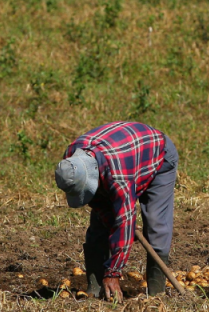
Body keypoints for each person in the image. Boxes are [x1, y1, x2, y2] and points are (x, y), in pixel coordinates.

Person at [55, 122, 179, 300]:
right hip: (125, 154)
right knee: (99, 226)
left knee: (155, 225)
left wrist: (113, 272)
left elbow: (125, 219)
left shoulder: (117, 176)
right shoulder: (70, 163)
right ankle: (95, 289)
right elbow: (99, 205)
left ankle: (156, 294)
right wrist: (114, 224)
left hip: (156, 154)